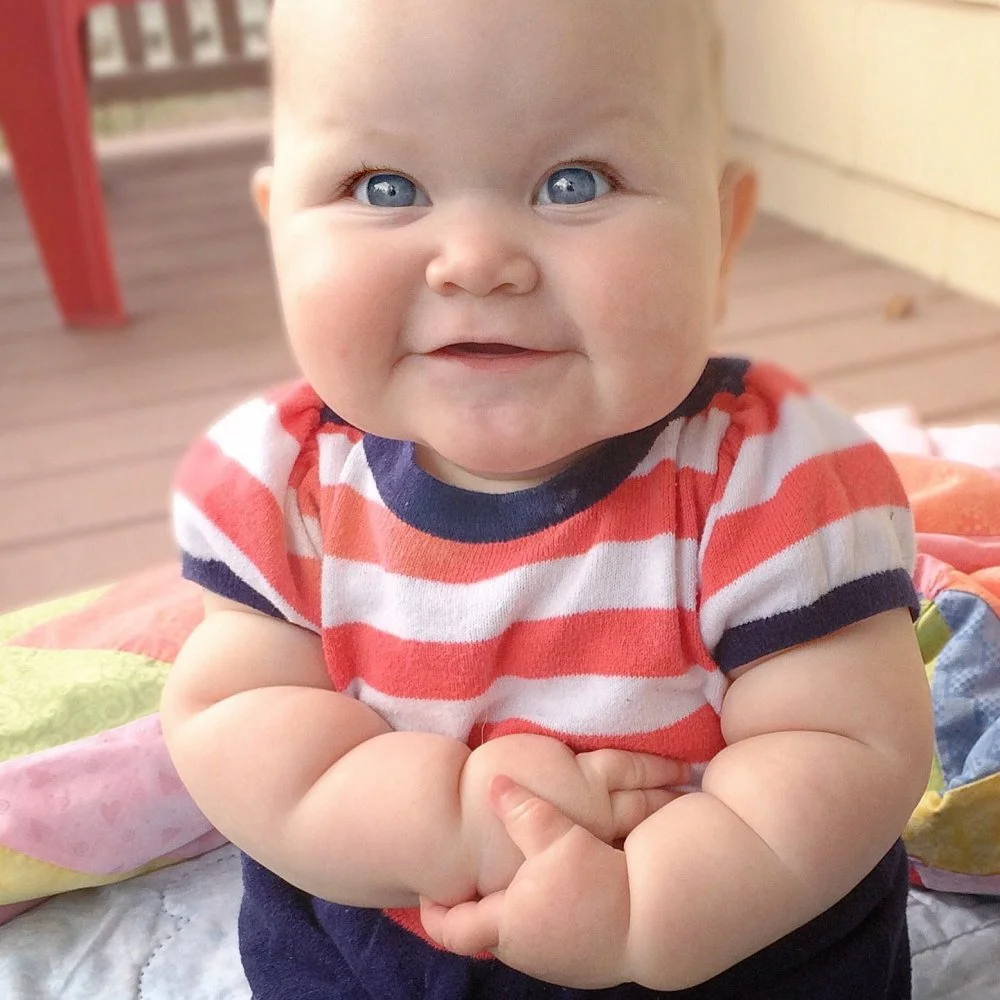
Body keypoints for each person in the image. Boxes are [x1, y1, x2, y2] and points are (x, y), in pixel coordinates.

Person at [160, 1, 934, 997]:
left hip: (722, 939)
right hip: (386, 928)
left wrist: (642, 911)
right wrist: (445, 818)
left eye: (576, 182)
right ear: (282, 235)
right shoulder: (284, 480)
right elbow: (233, 717)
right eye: (385, 186)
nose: (476, 261)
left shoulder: (770, 474)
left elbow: (845, 749)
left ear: (721, 231)